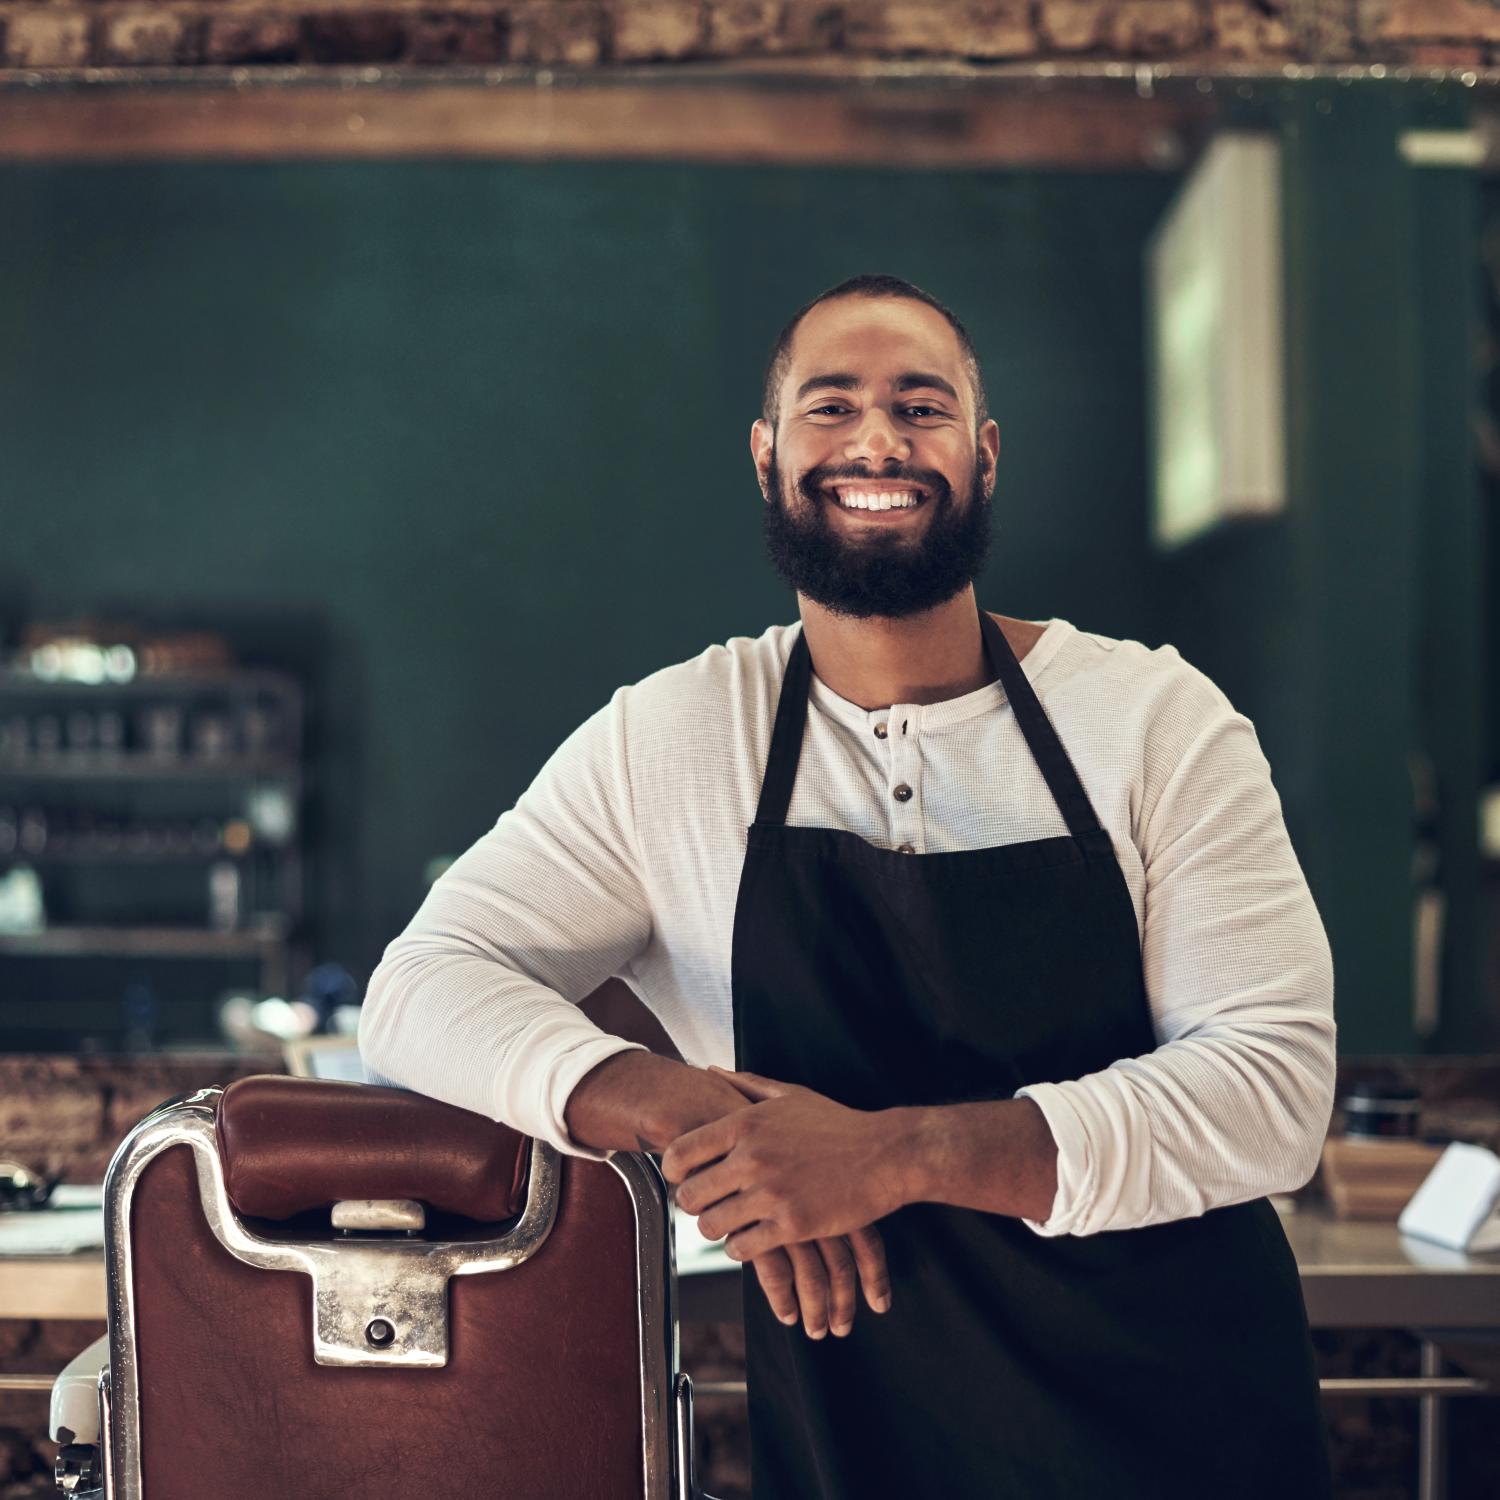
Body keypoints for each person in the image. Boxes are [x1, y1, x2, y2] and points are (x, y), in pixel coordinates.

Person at [359, 273, 1336, 1498]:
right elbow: (418, 989)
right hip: (864, 1424)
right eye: (833, 408)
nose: (878, 441)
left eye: (921, 408)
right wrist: (683, 1112)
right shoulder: (674, 738)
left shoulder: (1152, 719)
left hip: (1180, 1418)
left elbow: (1272, 1089)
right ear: (767, 457)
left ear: (983, 456)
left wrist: (894, 1156)